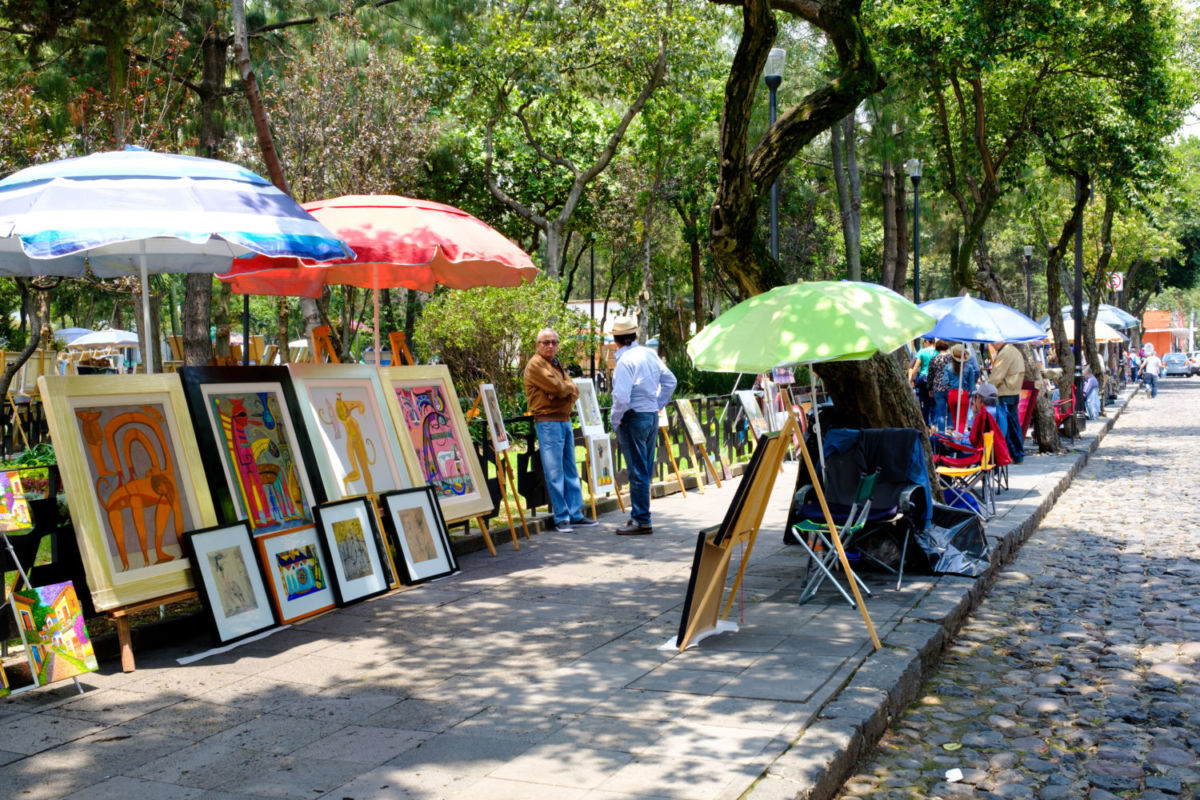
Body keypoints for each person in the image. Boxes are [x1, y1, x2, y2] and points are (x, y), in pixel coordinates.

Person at [523, 327, 598, 532]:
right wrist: (561, 390)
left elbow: (573, 390)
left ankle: (575, 513)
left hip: (563, 419)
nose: (550, 346)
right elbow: (558, 387)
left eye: (554, 342)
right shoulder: (536, 364)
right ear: (537, 345)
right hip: (548, 421)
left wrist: (563, 391)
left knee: (570, 468)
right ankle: (561, 517)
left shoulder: (554, 364)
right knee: (555, 470)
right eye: (545, 342)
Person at [609, 316, 677, 535]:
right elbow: (670, 381)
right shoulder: (649, 354)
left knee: (637, 469)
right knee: (645, 468)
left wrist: (615, 419)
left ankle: (641, 519)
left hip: (633, 416)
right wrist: (657, 403)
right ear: (635, 335)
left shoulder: (624, 361)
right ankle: (640, 515)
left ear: (615, 339)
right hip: (649, 415)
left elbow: (621, 398)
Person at [988, 340, 1025, 464]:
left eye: (993, 342)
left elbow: (996, 376)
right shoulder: (1013, 350)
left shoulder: (1006, 353)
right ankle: (1017, 455)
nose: (992, 345)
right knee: (1013, 425)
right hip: (1012, 391)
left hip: (1005, 393)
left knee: (1006, 427)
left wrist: (987, 389)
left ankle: (1010, 454)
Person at [909, 338, 937, 423]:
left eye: (924, 341)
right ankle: (934, 424)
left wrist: (911, 379)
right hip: (935, 380)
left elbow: (916, 366)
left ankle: (926, 424)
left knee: (925, 404)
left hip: (924, 380)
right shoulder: (938, 352)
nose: (924, 343)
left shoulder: (922, 352)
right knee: (934, 404)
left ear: (927, 341)